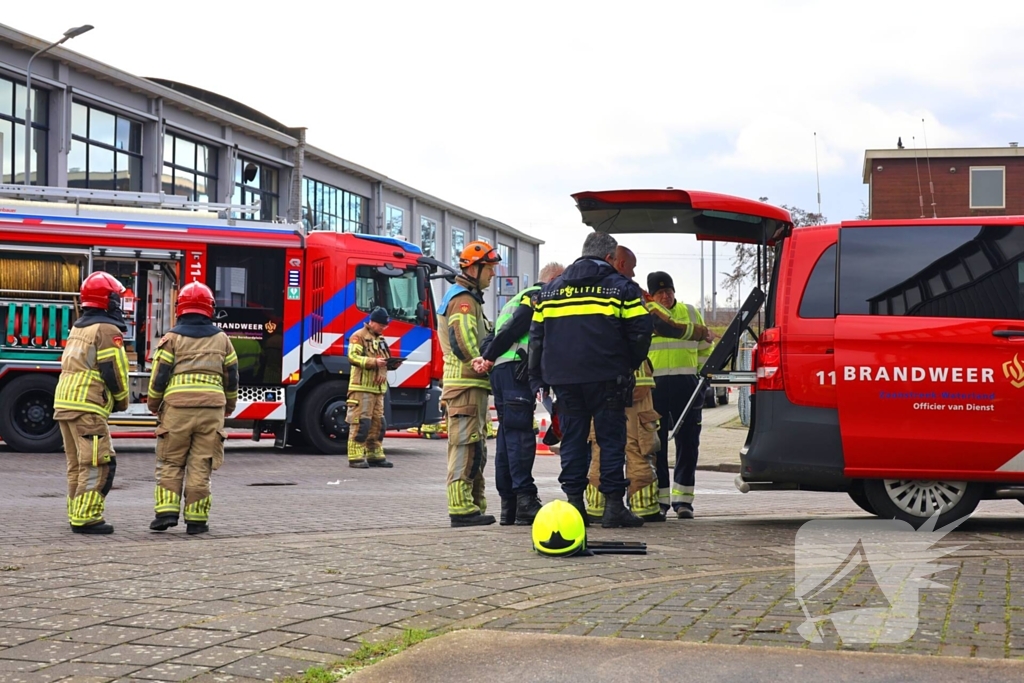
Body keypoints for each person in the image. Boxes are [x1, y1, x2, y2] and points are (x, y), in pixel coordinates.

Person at [529, 232, 653, 529]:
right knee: (611, 440)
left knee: (572, 440)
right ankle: (613, 508)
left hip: (565, 381)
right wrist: (627, 365)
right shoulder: (621, 288)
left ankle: (574, 505)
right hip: (607, 377)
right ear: (610, 258)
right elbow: (641, 331)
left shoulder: (550, 291)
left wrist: (539, 377)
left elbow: (537, 339)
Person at [476, 262, 565, 526]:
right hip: (518, 370)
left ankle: (510, 506)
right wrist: (488, 357)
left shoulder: (513, 299)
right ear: (553, 279)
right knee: (520, 435)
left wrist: (489, 357)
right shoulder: (537, 296)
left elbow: (492, 336)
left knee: (507, 436)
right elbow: (514, 329)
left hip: (504, 373)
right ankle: (525, 499)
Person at [148, 282, 239, 535]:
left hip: (177, 409)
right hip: (212, 410)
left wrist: (154, 404)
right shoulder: (223, 339)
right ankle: (196, 520)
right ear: (210, 308)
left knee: (171, 460)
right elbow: (231, 377)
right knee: (201, 463)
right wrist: (228, 405)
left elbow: (159, 376)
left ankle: (166, 512)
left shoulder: (171, 339)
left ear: (181, 308)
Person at [584, 247, 663, 523]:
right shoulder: (631, 292)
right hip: (634, 381)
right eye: (631, 267)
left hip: (598, 381)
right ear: (619, 263)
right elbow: (651, 326)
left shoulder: (590, 293)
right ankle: (643, 506)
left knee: (601, 444)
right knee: (638, 444)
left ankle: (596, 506)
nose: (633, 274)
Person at [54, 271, 130, 535]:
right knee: (100, 463)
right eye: (115, 298)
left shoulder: (79, 327)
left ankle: (76, 514)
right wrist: (121, 401)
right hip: (87, 405)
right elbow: (114, 371)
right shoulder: (107, 329)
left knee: (77, 464)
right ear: (106, 299)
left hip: (65, 403)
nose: (118, 303)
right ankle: (87, 518)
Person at [438, 240, 502, 527]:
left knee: (475, 446)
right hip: (464, 385)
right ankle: (460, 508)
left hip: (471, 386)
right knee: (465, 445)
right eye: (489, 269)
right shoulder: (463, 300)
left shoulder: (471, 298)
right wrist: (477, 360)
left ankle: (472, 506)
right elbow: (462, 337)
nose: (492, 275)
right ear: (474, 268)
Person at [647, 271, 714, 519]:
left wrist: (699, 376)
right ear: (652, 295)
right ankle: (661, 501)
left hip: (687, 386)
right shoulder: (648, 317)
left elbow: (706, 348)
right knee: (657, 446)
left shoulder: (691, 313)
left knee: (688, 444)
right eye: (660, 292)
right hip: (655, 388)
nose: (665, 296)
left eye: (668, 291)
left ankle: (684, 501)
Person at [346, 307, 394, 468]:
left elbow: (385, 359)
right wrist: (374, 363)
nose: (383, 328)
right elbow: (352, 357)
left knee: (378, 424)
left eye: (385, 326)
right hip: (362, 388)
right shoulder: (358, 336)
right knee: (361, 423)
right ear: (372, 322)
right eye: (381, 325)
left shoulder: (380, 340)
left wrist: (393, 364)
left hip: (377, 389)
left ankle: (375, 454)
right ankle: (355, 456)